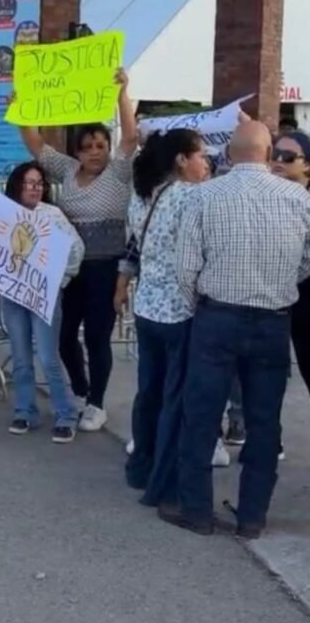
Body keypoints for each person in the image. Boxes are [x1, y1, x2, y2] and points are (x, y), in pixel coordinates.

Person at [163, 121, 310, 539]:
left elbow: (185, 267)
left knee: (202, 414)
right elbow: (307, 259)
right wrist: (282, 284)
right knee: (264, 421)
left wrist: (201, 302)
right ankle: (251, 517)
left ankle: (196, 510)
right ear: (268, 155)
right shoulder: (299, 198)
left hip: (217, 317)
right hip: (273, 320)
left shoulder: (203, 197)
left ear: (228, 154)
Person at [17, 69, 138, 431]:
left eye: (100, 145)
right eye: (87, 147)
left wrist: (121, 92)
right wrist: (22, 109)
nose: (94, 153)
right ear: (77, 151)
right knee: (65, 335)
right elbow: (35, 144)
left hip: (105, 269)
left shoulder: (118, 174)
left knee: (98, 336)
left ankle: (97, 404)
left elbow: (131, 137)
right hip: (67, 269)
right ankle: (83, 392)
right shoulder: (67, 171)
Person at [116, 129, 213, 505]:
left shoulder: (142, 197)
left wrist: (122, 285)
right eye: (201, 156)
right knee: (175, 398)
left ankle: (140, 466)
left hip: (147, 310)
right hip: (181, 310)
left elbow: (132, 248)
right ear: (181, 159)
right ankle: (163, 481)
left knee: (149, 392)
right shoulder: (192, 198)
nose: (206, 164)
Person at [2, 162, 85, 442]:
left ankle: (65, 413)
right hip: (12, 295)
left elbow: (76, 248)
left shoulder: (53, 215)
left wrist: (61, 280)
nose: (35, 188)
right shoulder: (4, 213)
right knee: (21, 357)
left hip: (44, 296)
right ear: (17, 185)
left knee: (48, 357)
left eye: (39, 183)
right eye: (29, 182)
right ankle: (25, 410)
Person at [271, 129, 310, 397]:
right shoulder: (269, 198)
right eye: (274, 154)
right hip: (279, 307)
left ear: (307, 164)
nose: (278, 162)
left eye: (287, 157)